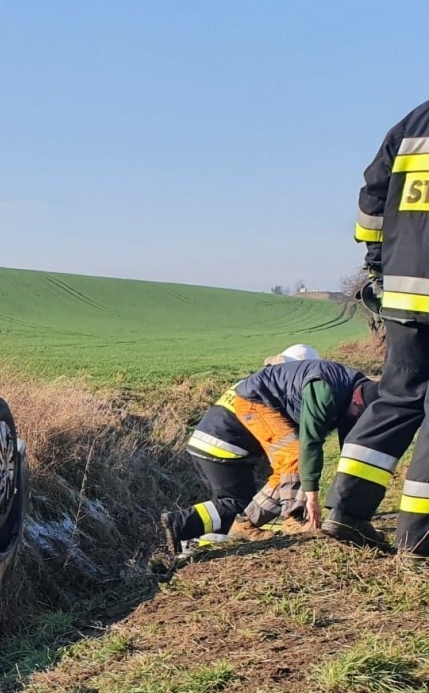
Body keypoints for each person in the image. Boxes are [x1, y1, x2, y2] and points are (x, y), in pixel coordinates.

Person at [324, 99, 429, 555]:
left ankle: (346, 511)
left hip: (404, 293)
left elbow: (372, 196)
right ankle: (419, 538)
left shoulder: (414, 123)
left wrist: (376, 261)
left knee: (399, 398)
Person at [161, 356, 376, 554]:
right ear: (356, 397)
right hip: (246, 412)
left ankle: (245, 523)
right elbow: (310, 443)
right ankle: (293, 519)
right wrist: (311, 497)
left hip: (225, 433)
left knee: (278, 476)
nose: (354, 418)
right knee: (295, 456)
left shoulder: (353, 395)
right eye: (357, 413)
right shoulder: (324, 389)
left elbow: (349, 447)